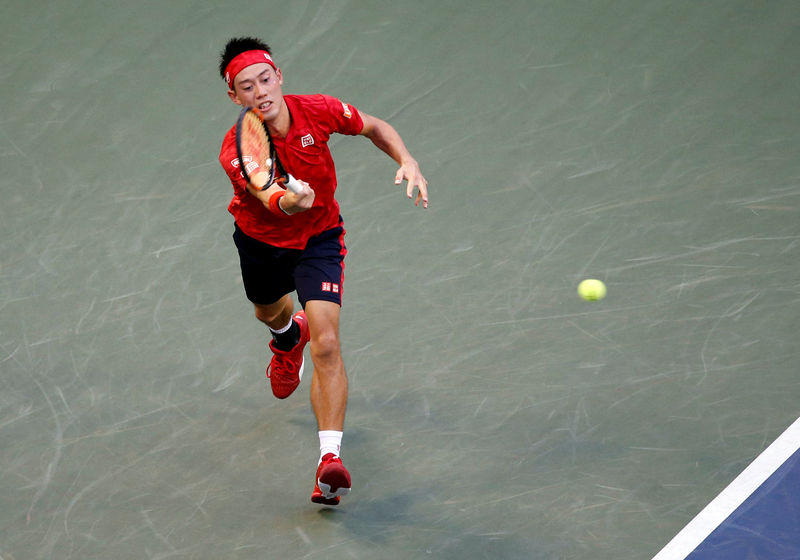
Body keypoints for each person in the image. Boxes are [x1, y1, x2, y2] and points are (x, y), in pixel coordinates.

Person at [217, 37, 428, 505]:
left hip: (320, 239)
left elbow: (374, 126)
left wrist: (406, 159)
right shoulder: (237, 151)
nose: (260, 93)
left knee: (328, 343)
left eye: (265, 80)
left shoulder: (321, 110)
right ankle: (287, 336)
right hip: (262, 243)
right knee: (268, 313)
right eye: (247, 87)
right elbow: (272, 199)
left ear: (279, 77)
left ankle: (328, 463)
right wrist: (294, 199)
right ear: (236, 97)